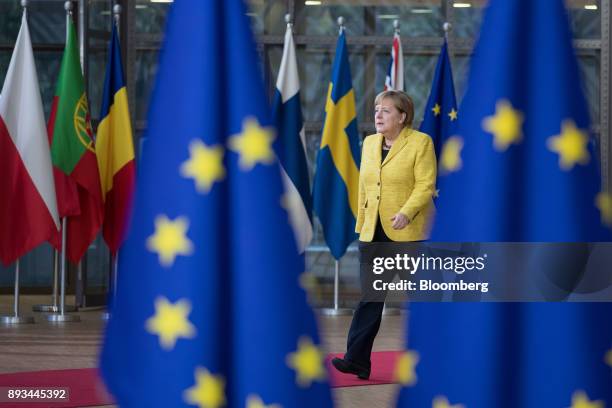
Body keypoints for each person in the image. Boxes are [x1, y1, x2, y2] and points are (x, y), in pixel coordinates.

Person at [331, 90, 437, 379]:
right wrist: (362, 226)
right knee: (370, 299)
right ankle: (356, 360)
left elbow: (425, 186)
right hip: (374, 234)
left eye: (386, 110)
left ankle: (439, 359)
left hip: (409, 234)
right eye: (376, 109)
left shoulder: (420, 143)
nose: (377, 115)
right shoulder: (369, 143)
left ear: (402, 117)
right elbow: (365, 188)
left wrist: (406, 212)